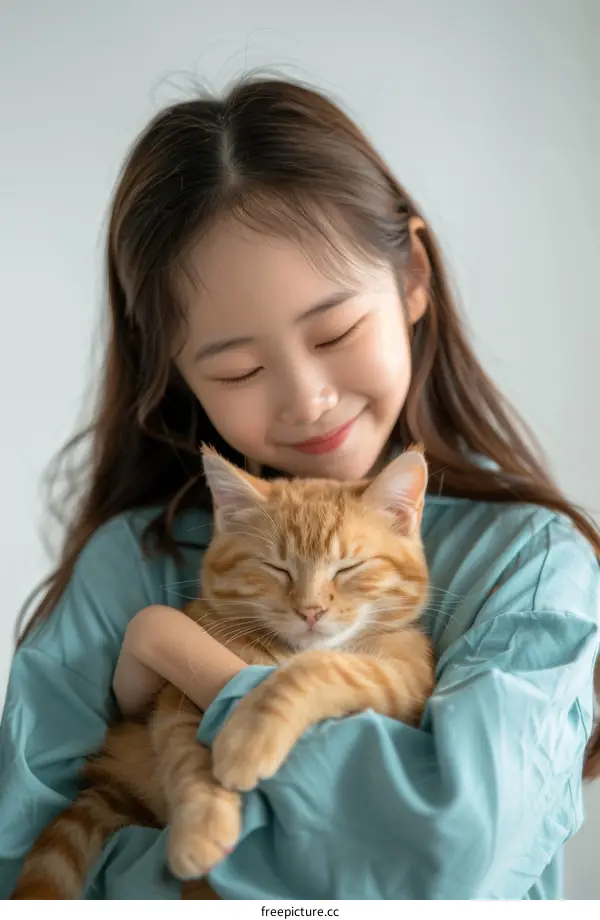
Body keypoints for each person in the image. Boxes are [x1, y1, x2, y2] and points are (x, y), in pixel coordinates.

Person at [1, 77, 599, 901]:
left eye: (335, 331)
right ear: (174, 370)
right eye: (238, 368)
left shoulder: (529, 563)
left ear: (414, 275)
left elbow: (448, 852)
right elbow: (17, 866)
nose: (307, 398)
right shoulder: (128, 561)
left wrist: (179, 654)